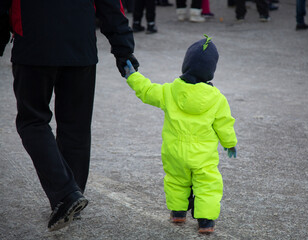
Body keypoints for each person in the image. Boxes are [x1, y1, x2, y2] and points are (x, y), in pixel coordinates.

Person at [0, 0, 139, 231]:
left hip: (34, 43)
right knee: (76, 126)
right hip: (79, 44)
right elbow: (110, 4)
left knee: (32, 121)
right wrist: (123, 48)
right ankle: (72, 195)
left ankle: (66, 194)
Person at [122, 35, 238, 234]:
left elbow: (147, 90)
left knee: (176, 180)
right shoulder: (217, 99)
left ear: (186, 65)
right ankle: (206, 222)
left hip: (174, 152)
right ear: (211, 71)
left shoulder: (169, 91)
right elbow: (224, 124)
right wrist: (230, 143)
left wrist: (132, 76)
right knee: (207, 184)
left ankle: (178, 213)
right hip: (202, 156)